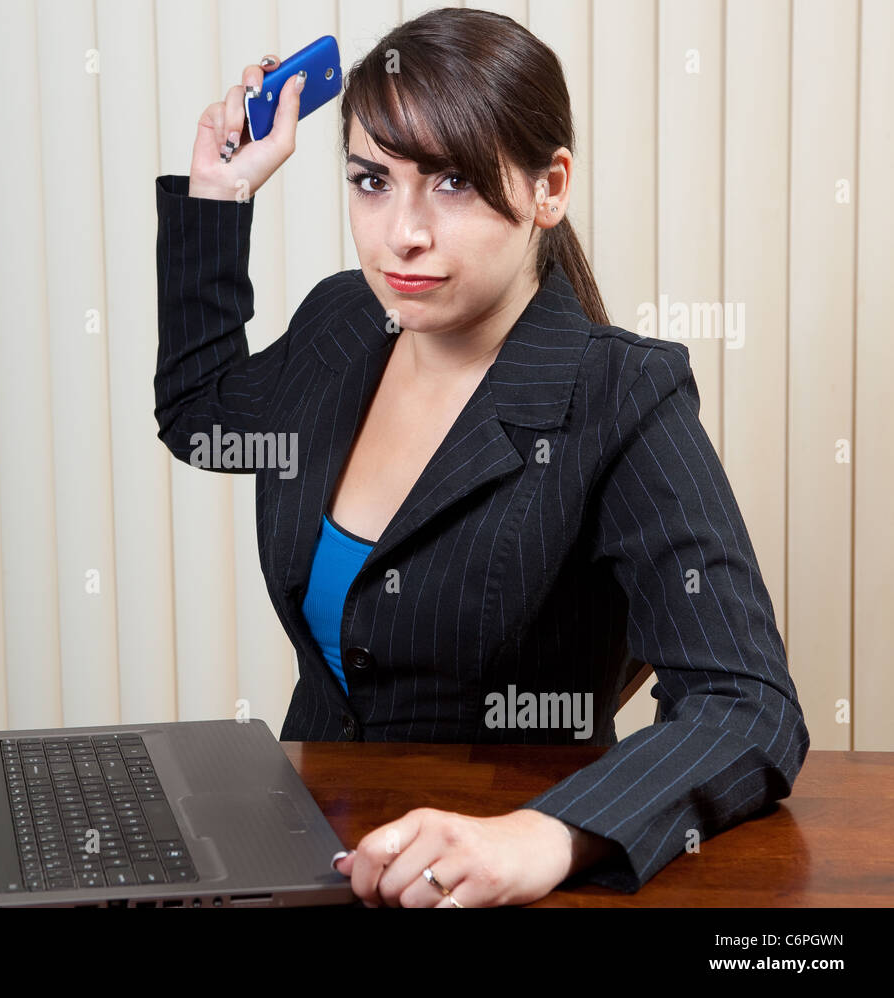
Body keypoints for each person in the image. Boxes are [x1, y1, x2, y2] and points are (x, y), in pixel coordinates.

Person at [152, 7, 808, 907]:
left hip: (488, 878)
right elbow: (200, 411)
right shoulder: (345, 324)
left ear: (549, 188)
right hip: (306, 854)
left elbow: (747, 705)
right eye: (372, 181)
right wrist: (218, 196)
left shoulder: (619, 396)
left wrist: (544, 839)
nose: (402, 234)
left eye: (452, 182)